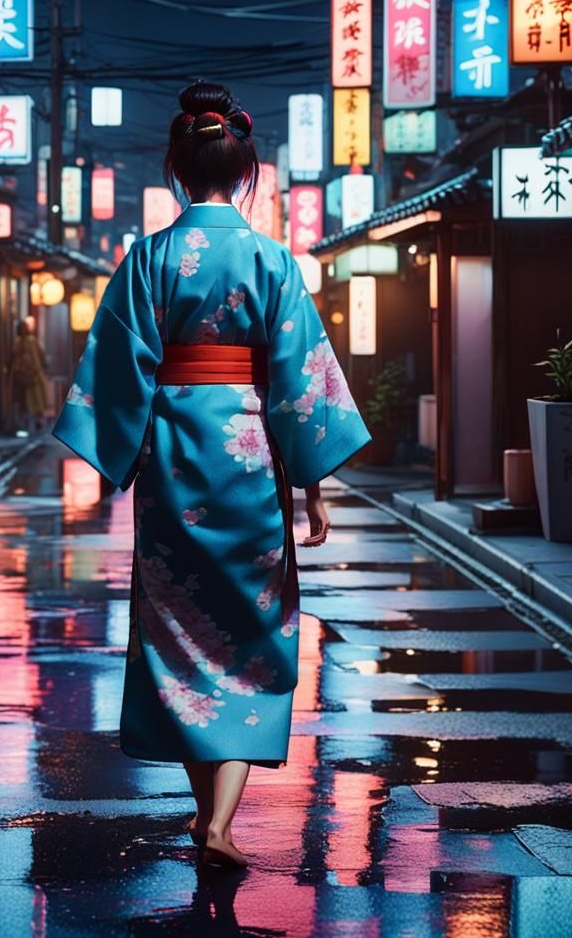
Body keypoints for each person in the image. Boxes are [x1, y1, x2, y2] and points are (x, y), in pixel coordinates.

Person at [53, 82, 370, 870]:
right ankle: (219, 820)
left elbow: (120, 368)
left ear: (176, 167)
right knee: (252, 633)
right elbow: (300, 380)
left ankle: (210, 816)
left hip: (172, 462)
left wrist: (117, 457)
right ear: (247, 168)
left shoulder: (151, 258)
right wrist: (312, 486)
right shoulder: (272, 260)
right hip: (253, 456)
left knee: (178, 632)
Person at [9, 320, 49, 437]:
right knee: (28, 403)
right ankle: (29, 424)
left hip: (33, 376)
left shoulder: (31, 341)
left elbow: (40, 357)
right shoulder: (19, 343)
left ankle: (35, 423)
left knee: (35, 402)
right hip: (25, 378)